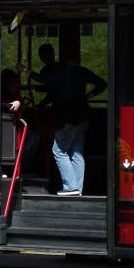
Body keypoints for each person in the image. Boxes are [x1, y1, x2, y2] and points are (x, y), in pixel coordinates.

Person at [29, 55, 106, 195]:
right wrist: (88, 95)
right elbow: (102, 84)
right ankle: (78, 188)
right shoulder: (83, 72)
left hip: (67, 119)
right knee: (77, 153)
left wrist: (25, 71)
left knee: (59, 151)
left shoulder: (61, 74)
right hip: (83, 116)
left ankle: (71, 187)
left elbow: (43, 80)